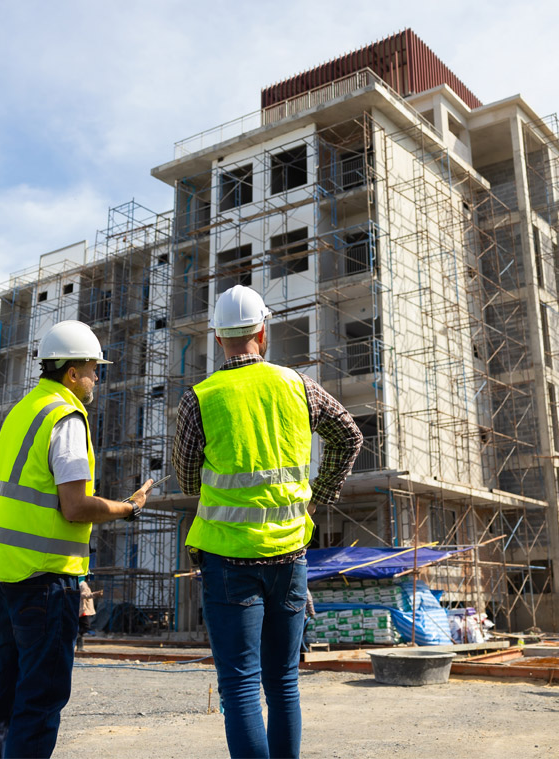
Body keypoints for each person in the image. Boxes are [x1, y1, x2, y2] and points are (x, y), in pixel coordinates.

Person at [174, 285, 362, 758]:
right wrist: (319, 495)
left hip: (227, 559)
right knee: (283, 683)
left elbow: (187, 475)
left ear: (218, 339)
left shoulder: (200, 398)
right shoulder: (299, 386)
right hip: (291, 557)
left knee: (240, 687)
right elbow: (350, 437)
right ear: (264, 330)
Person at [0, 320, 154, 759]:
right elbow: (75, 506)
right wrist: (130, 507)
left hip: (6, 577)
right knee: (38, 702)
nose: (96, 378)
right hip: (44, 581)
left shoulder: (24, 410)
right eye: (93, 369)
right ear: (71, 373)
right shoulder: (66, 416)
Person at [75, 578, 102, 650]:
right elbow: (84, 595)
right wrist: (94, 594)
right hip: (83, 609)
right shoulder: (83, 584)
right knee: (85, 627)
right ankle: (77, 639)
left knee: (82, 627)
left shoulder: (78, 583)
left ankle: (80, 647)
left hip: (82, 609)